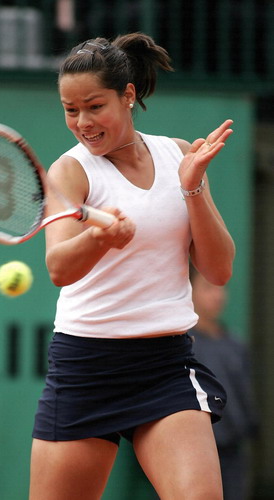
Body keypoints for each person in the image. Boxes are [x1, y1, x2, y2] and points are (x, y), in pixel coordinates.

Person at [29, 32, 236, 500]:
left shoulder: (179, 154)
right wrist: (101, 239)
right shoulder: (70, 171)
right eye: (70, 109)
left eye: (94, 106)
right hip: (86, 369)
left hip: (164, 365)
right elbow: (59, 269)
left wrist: (192, 187)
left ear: (127, 96)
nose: (82, 122)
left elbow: (219, 269)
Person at [189, 266, 258, 500]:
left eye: (222, 288)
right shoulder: (180, 346)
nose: (218, 296)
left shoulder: (236, 345)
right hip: (191, 456)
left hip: (233, 456)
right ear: (189, 291)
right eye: (208, 288)